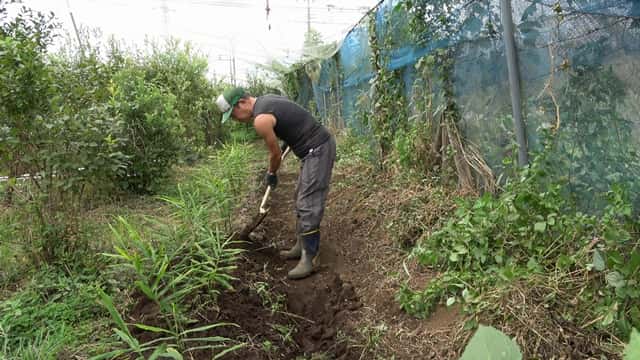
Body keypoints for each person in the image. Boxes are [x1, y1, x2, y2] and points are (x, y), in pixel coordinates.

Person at [216, 87, 336, 280]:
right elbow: (292, 119)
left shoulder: (260, 119)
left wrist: (271, 173)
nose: (236, 120)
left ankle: (311, 258)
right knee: (299, 197)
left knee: (308, 203)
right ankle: (301, 246)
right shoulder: (266, 100)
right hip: (312, 149)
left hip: (318, 149)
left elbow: (275, 155)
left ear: (242, 103)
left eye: (234, 115)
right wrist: (288, 139)